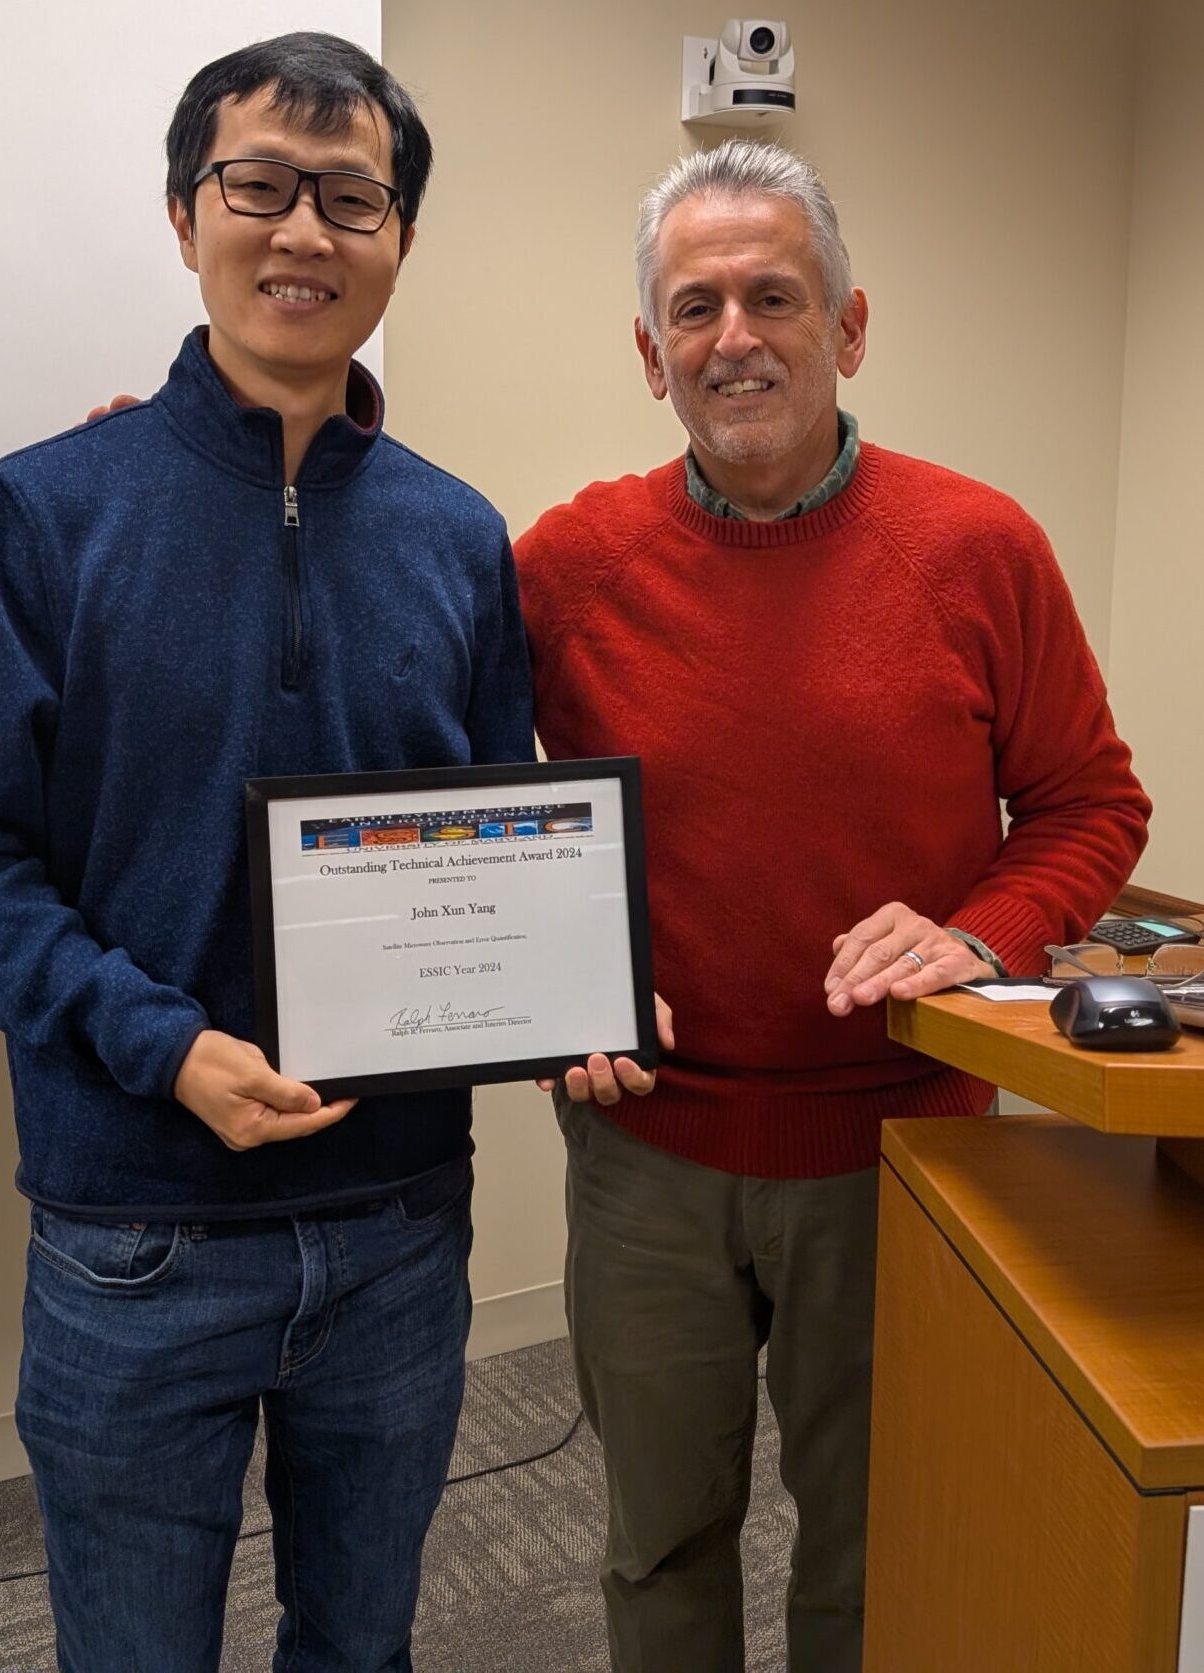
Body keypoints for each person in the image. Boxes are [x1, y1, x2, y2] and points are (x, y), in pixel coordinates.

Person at [0, 34, 536, 1673]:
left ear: (397, 241)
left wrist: (554, 991)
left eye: (352, 198)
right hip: (136, 1231)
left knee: (362, 1648)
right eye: (260, 186)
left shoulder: (461, 535)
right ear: (188, 217)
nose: (304, 232)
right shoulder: (43, 510)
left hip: (398, 1222)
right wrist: (159, 1046)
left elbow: (494, 838)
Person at [514, 140, 1151, 1673]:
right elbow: (455, 801)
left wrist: (979, 932)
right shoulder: (566, 564)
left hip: (900, 1146)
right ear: (649, 352)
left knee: (872, 1548)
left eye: (771, 297)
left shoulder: (976, 548)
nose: (731, 335)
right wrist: (554, 978)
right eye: (694, 307)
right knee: (657, 1541)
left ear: (847, 329)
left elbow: (1089, 805)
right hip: (646, 1150)